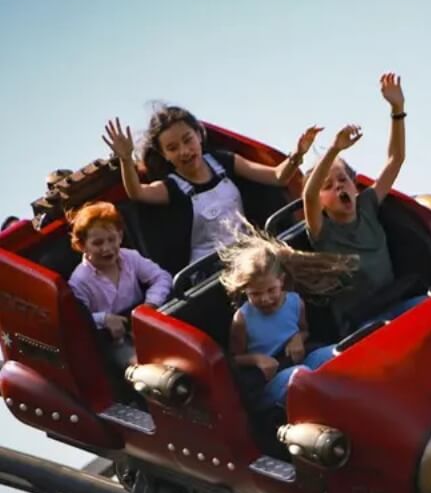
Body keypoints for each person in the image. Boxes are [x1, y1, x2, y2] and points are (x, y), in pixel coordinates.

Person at [102, 107, 321, 271]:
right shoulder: (171, 187)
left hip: (252, 252)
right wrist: (125, 159)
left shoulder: (222, 162)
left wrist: (298, 154)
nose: (184, 151)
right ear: (164, 155)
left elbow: (277, 176)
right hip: (212, 270)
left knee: (305, 264)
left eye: (188, 140)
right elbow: (137, 192)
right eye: (172, 148)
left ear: (199, 135)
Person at [303, 72, 418, 336]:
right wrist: (333, 150)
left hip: (397, 302)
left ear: (355, 185)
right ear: (321, 203)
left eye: (343, 180)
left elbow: (396, 159)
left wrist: (397, 109)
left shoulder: (367, 205)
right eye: (328, 187)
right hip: (362, 324)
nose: (339, 187)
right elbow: (308, 196)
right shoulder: (323, 232)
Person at [218, 228, 357, 412]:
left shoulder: (294, 301)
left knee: (335, 353)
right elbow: (235, 359)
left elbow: (303, 330)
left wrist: (298, 338)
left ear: (281, 281)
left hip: (298, 359)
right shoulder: (243, 318)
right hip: (269, 379)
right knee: (299, 376)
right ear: (245, 291)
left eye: (271, 290)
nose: (265, 299)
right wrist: (257, 359)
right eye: (256, 294)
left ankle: (352, 398)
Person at [67, 201, 171, 369]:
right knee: (148, 372)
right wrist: (104, 319)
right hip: (116, 343)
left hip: (149, 326)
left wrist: (150, 305)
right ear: (82, 245)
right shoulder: (79, 281)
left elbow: (162, 277)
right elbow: (77, 320)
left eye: (111, 239)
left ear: (120, 236)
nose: (107, 248)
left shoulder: (130, 257)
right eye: (98, 243)